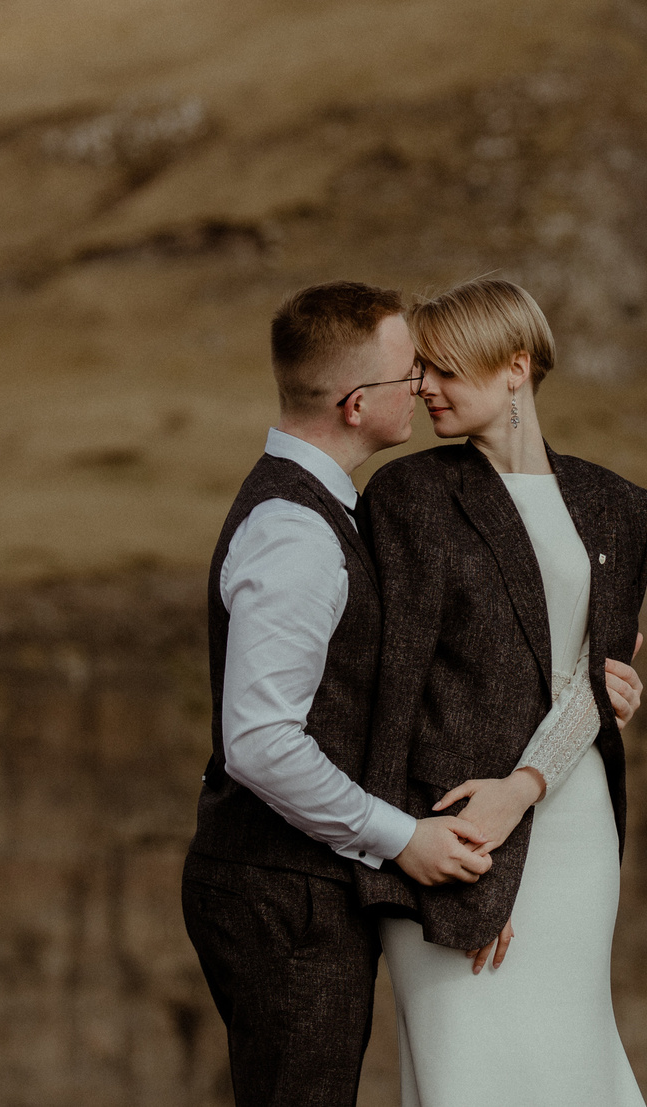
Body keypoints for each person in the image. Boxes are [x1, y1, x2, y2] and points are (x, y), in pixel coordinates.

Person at [182, 280, 496, 1107]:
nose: (425, 384)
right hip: (283, 899)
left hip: (297, 891)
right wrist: (401, 838)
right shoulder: (295, 533)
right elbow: (261, 742)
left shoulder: (331, 511)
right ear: (358, 404)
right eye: (410, 373)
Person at [354, 277, 647, 1107]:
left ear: (516, 365)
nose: (424, 388)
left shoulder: (619, 508)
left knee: (571, 1060)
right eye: (421, 371)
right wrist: (450, 858)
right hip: (447, 835)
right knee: (466, 1071)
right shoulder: (407, 498)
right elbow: (393, 689)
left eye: (446, 370)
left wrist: (524, 792)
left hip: (568, 823)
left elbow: (596, 680)